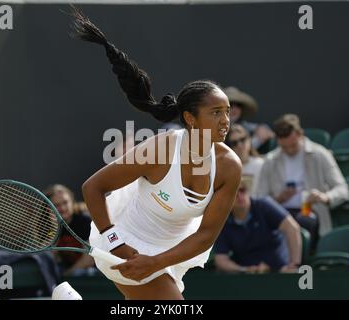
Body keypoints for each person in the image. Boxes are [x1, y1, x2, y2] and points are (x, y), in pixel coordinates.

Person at [70, 8, 242, 300]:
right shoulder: (159, 149)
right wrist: (115, 243)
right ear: (190, 118)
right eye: (215, 113)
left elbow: (205, 236)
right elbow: (94, 187)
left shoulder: (229, 167)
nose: (225, 120)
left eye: (226, 112)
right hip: (126, 243)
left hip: (169, 255)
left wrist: (157, 262)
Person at [255, 114, 349, 248]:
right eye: (284, 147)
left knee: (305, 221)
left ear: (300, 134)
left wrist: (325, 197)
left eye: (292, 145)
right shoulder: (270, 161)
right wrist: (279, 199)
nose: (289, 150)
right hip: (280, 212)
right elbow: (260, 199)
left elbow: (343, 189)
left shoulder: (320, 154)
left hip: (310, 212)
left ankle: (299, 265)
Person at [214, 177, 302, 273]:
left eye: (242, 190)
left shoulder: (264, 205)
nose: (239, 195)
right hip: (247, 279)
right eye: (233, 192)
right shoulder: (222, 220)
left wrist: (293, 265)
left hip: (280, 271)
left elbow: (292, 228)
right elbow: (221, 260)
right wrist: (244, 270)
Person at [44, 184, 96, 277]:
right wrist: (54, 227)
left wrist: (67, 274)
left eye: (65, 202)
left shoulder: (84, 221)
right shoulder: (47, 226)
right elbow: (51, 257)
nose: (63, 208)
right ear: (49, 208)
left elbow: (89, 259)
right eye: (57, 205)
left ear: (72, 201)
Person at [223, 86, 274, 152]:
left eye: (238, 105)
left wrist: (262, 129)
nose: (234, 109)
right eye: (230, 105)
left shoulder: (244, 125)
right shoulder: (210, 129)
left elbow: (265, 131)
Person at [226, 123, 264, 196]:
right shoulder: (227, 169)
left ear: (249, 139)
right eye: (234, 143)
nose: (239, 145)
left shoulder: (261, 164)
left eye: (242, 139)